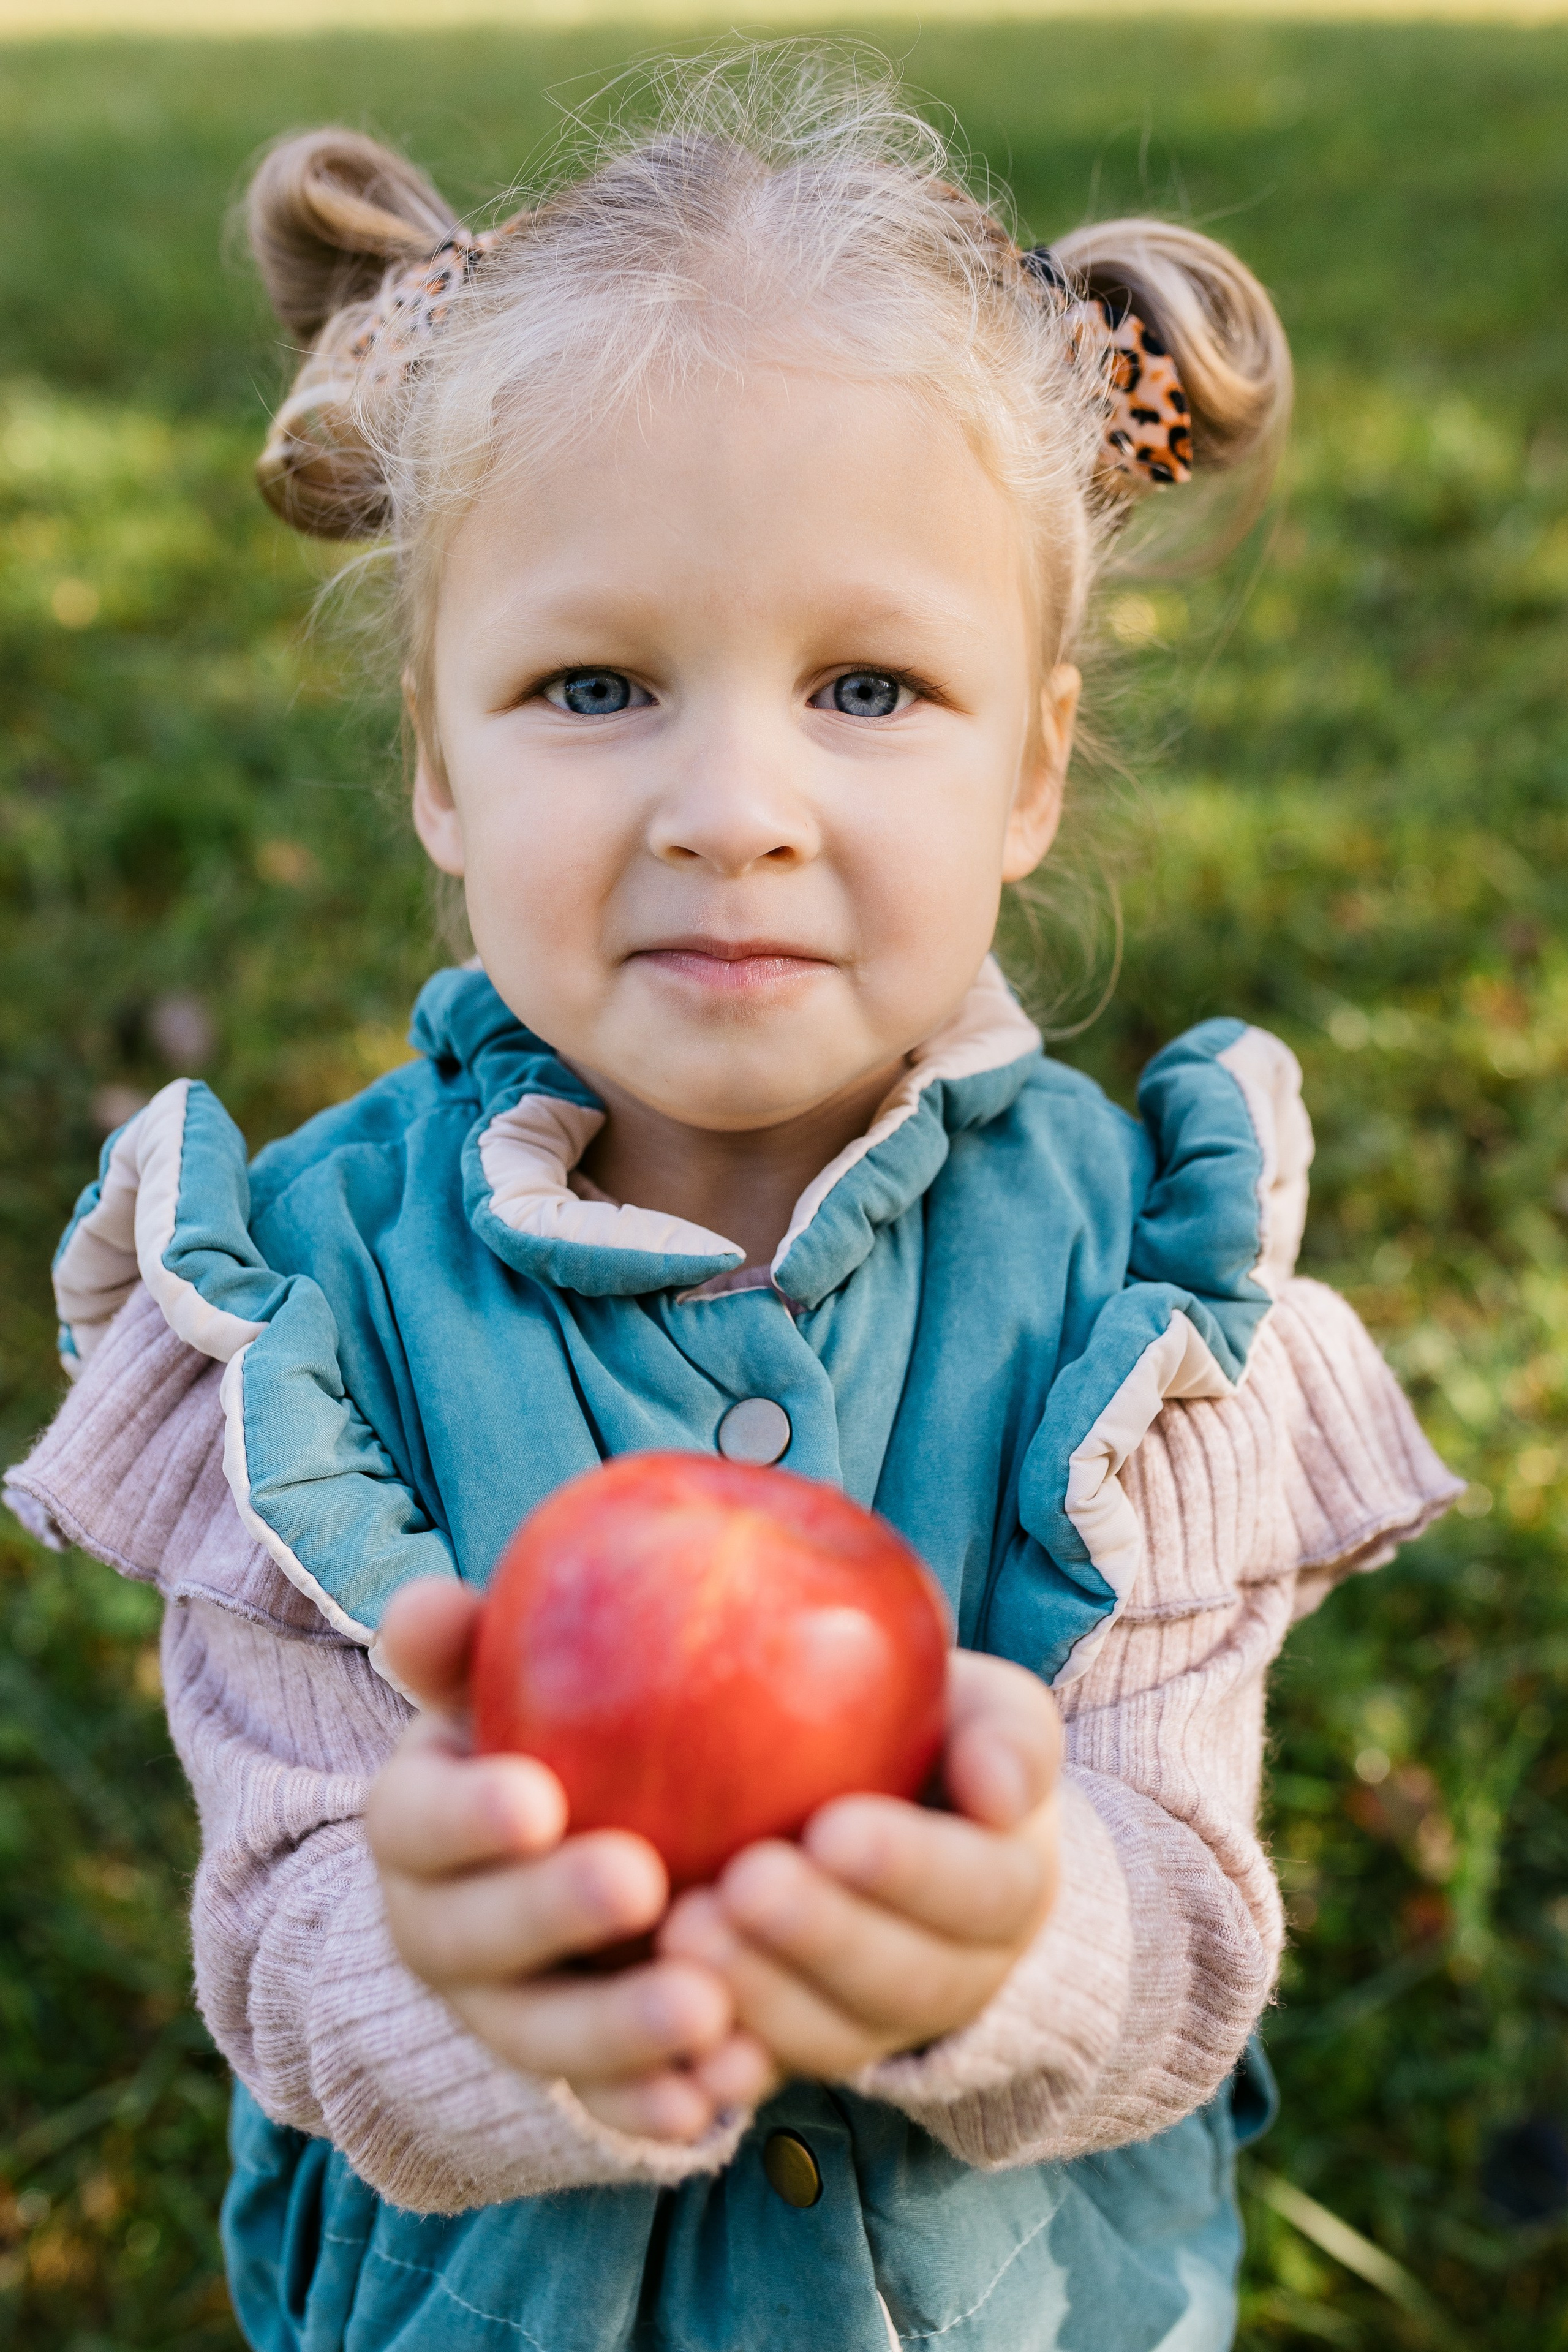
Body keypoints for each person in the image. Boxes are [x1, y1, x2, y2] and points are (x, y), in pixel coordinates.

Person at [5, 50, 1461, 2352]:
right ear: (436, 770)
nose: (737, 805)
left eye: (869, 686)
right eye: (595, 684)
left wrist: (1017, 1935)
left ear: (1035, 767)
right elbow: (291, 1947)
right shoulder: (304, 1306)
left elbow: (1184, 1929)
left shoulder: (1140, 1298)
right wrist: (468, 1978)